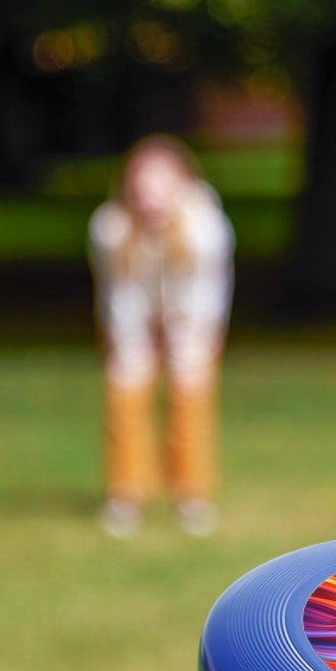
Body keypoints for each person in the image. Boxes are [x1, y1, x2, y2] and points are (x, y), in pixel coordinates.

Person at [89, 134, 235, 538]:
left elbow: (205, 293)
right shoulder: (110, 227)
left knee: (190, 395)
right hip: (131, 320)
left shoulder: (205, 226)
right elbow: (119, 292)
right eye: (142, 183)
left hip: (193, 321)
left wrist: (182, 334)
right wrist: (135, 339)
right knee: (125, 391)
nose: (150, 195)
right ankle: (125, 494)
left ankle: (192, 495)